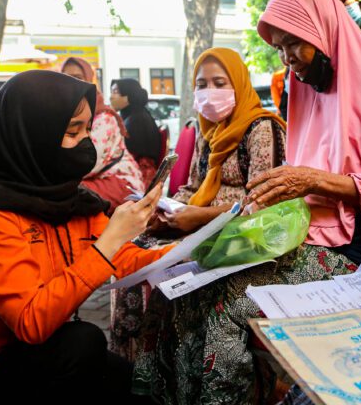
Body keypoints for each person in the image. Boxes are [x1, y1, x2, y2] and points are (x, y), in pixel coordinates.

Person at [133, 0, 361, 404]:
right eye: (279, 48)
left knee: (225, 301)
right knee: (182, 289)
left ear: (322, 34)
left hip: (359, 250)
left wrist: (312, 181)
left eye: (294, 44)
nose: (288, 59)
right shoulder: (305, 91)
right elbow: (299, 183)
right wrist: (273, 195)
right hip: (307, 236)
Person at [0, 70, 171, 405]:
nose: (85, 142)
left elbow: (122, 260)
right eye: (71, 131)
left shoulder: (72, 200)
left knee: (134, 384)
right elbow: (31, 322)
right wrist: (110, 240)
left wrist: (193, 253)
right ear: (33, 135)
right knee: (83, 343)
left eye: (87, 129)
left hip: (39, 353)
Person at [108, 48, 287, 360]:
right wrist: (162, 210)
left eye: (220, 82)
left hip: (235, 234)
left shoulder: (262, 129)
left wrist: (198, 217)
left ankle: (161, 364)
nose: (209, 93)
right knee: (129, 250)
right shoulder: (210, 131)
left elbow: (262, 202)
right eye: (202, 85)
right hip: (192, 224)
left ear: (239, 83)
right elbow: (192, 185)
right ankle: (131, 363)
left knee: (155, 267)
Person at [60, 58, 144, 210]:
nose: (70, 83)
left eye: (78, 78)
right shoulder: (65, 113)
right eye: (65, 78)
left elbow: (87, 163)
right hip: (89, 177)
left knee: (63, 196)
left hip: (119, 180)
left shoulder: (104, 117)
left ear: (89, 81)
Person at [109, 78, 161, 184]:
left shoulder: (137, 120)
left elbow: (128, 153)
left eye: (116, 92)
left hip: (140, 176)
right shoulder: (133, 116)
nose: (111, 97)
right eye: (111, 92)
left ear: (129, 94)